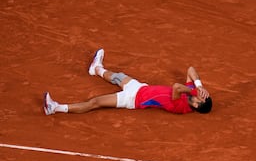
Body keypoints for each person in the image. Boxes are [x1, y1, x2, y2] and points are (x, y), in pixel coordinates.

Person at [43, 49, 212, 115]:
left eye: (200, 97)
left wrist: (192, 91)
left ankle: (56, 108)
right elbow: (190, 69)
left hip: (132, 100)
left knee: (95, 102)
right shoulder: (193, 94)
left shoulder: (181, 107)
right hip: (140, 88)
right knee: (118, 76)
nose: (198, 95)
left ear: (196, 105)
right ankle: (96, 68)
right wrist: (199, 85)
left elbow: (177, 87)